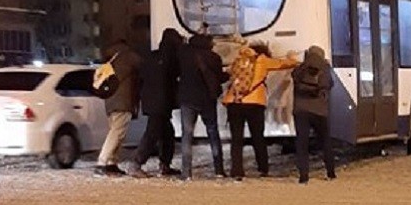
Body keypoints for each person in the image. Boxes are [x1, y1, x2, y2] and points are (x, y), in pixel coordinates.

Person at [223, 42, 298, 181]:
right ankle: (263, 168)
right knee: (258, 137)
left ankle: (237, 170)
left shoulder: (237, 60)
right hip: (254, 103)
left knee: (236, 139)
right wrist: (293, 58)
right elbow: (283, 64)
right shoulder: (262, 60)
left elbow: (229, 74)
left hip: (234, 102)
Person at [126, 28, 183, 178]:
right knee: (152, 133)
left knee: (167, 133)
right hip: (161, 102)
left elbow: (142, 77)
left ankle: (165, 164)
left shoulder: (152, 57)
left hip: (150, 100)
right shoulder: (171, 57)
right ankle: (136, 163)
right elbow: (176, 77)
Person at [177, 34, 228, 180]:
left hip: (187, 99)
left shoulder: (184, 56)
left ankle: (186, 172)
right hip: (207, 100)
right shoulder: (214, 57)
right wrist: (228, 75)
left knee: (187, 135)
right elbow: (219, 77)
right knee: (213, 132)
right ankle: (219, 170)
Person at [95, 39, 143, 177]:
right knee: (117, 133)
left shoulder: (111, 60)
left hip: (110, 101)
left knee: (117, 133)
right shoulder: (128, 57)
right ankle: (102, 163)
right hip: (123, 101)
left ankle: (111, 163)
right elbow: (142, 65)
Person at [291, 45, 335, 184]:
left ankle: (303, 176)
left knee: (302, 143)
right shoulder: (325, 68)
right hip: (319, 111)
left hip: (301, 111)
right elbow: (329, 85)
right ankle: (330, 172)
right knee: (325, 142)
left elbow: (294, 78)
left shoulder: (300, 69)